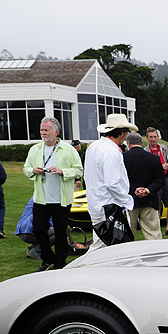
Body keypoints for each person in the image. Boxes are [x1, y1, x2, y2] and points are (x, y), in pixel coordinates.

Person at [23, 117, 84, 270]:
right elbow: (26, 168)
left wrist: (62, 171)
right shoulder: (35, 149)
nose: (43, 133)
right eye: (41, 130)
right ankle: (48, 258)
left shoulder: (68, 149)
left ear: (56, 132)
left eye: (46, 130)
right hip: (41, 199)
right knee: (38, 229)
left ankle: (60, 262)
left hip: (61, 199)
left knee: (60, 232)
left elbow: (79, 170)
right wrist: (33, 171)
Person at [85, 114, 136, 251]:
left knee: (105, 243)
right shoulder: (111, 152)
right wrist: (127, 200)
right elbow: (112, 183)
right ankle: (82, 268)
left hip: (97, 203)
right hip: (110, 207)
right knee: (103, 246)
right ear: (122, 133)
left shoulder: (94, 146)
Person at [123, 131, 165, 240]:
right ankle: (156, 254)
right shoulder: (154, 158)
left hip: (129, 200)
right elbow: (160, 179)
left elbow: (120, 180)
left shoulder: (122, 158)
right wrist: (148, 190)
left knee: (128, 233)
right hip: (149, 200)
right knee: (153, 233)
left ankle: (128, 255)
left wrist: (134, 190)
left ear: (128, 143)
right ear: (142, 142)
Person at [145, 127, 168, 235]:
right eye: (151, 137)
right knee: (157, 207)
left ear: (158, 137)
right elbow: (146, 168)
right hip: (155, 181)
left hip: (166, 179)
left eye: (155, 137)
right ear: (147, 138)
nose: (153, 139)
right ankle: (157, 230)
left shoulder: (163, 148)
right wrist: (160, 167)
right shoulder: (146, 151)